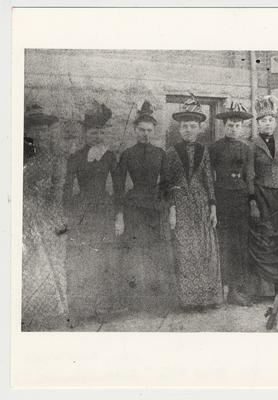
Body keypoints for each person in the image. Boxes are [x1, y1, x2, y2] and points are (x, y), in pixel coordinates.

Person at [63, 101, 122, 325]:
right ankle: (82, 308)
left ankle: (103, 307)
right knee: (83, 258)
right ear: (85, 134)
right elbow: (67, 189)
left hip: (105, 211)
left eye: (100, 132)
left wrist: (119, 215)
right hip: (83, 213)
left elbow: (118, 188)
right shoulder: (76, 157)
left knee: (105, 259)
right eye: (92, 132)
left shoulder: (110, 157)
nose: (96, 136)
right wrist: (69, 215)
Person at [164, 93, 223, 310]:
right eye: (185, 126)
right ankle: (188, 299)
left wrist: (213, 207)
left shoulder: (203, 151)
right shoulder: (170, 153)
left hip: (200, 203)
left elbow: (208, 179)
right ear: (179, 130)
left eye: (193, 126)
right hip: (180, 204)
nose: (189, 130)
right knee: (185, 249)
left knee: (204, 248)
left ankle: (206, 298)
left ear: (199, 129)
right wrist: (172, 209)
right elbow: (167, 183)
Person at [114, 101, 174, 313]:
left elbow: (166, 184)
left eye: (149, 130)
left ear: (154, 131)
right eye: (141, 130)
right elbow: (119, 187)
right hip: (134, 209)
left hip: (155, 209)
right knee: (135, 253)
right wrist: (119, 215)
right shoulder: (127, 154)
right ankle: (134, 301)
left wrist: (168, 209)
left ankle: (156, 301)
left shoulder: (160, 154)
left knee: (155, 253)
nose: (145, 134)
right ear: (134, 130)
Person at [22, 104, 69, 330]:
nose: (39, 133)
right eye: (34, 129)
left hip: (46, 213)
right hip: (23, 212)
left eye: (43, 129)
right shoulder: (19, 155)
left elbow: (58, 189)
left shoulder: (55, 157)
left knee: (50, 260)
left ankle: (52, 311)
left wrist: (54, 217)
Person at [246, 95, 278, 299]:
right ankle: (263, 289)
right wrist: (252, 202)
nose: (268, 123)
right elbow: (249, 175)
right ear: (258, 124)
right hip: (261, 197)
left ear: (276, 123)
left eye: (271, 120)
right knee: (264, 238)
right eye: (264, 120)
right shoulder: (252, 145)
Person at [209, 101, 254, 307]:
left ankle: (235, 289)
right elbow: (210, 176)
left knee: (238, 244)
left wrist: (251, 200)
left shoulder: (246, 149)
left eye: (237, 125)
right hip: (222, 198)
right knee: (223, 243)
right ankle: (221, 288)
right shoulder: (215, 148)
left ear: (242, 127)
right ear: (224, 126)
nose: (233, 128)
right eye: (230, 125)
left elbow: (249, 176)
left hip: (241, 199)